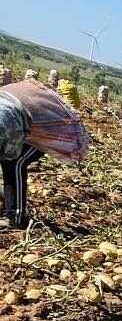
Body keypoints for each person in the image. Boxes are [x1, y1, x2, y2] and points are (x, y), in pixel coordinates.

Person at [0, 76, 90, 229]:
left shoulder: (51, 110)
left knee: (15, 163)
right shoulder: (38, 101)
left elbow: (12, 149)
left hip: (46, 132)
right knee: (9, 161)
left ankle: (15, 216)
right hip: (16, 117)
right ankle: (8, 197)